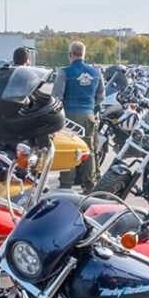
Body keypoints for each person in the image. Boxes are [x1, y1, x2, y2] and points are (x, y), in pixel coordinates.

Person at [52, 41, 103, 192]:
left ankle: (67, 183)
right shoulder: (96, 73)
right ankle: (89, 184)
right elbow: (101, 96)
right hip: (88, 115)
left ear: (70, 55)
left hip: (69, 117)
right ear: (84, 54)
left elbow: (56, 98)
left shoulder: (64, 73)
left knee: (71, 149)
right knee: (89, 150)